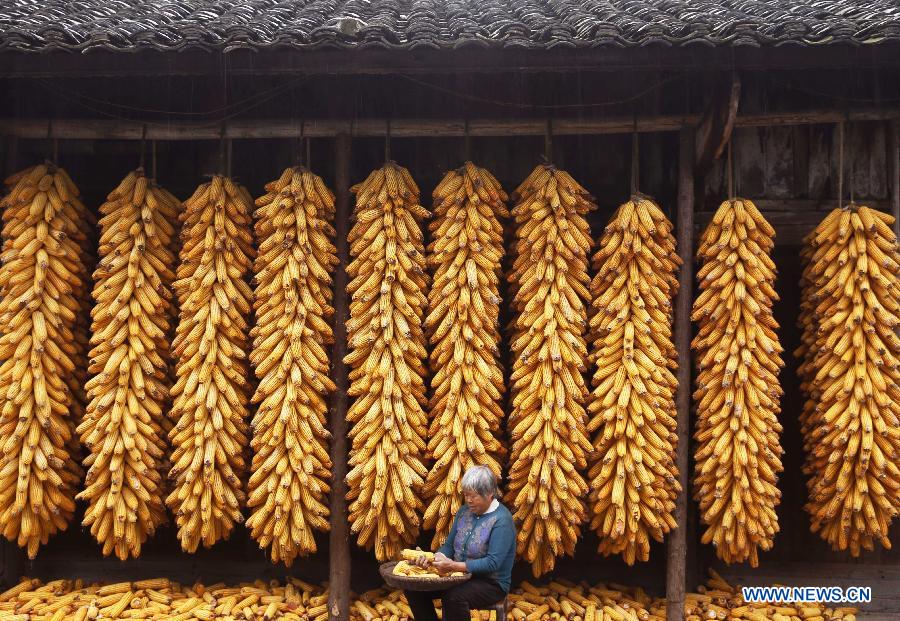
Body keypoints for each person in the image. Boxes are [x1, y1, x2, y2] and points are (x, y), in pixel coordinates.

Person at [405, 465, 516, 621]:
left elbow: (493, 563)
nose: (469, 500)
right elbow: (450, 545)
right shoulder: (464, 512)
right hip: (457, 576)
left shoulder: (502, 520)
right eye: (466, 495)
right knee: (414, 588)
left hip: (490, 583)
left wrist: (453, 566)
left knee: (453, 596)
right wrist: (434, 558)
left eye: (474, 496)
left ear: (490, 494)